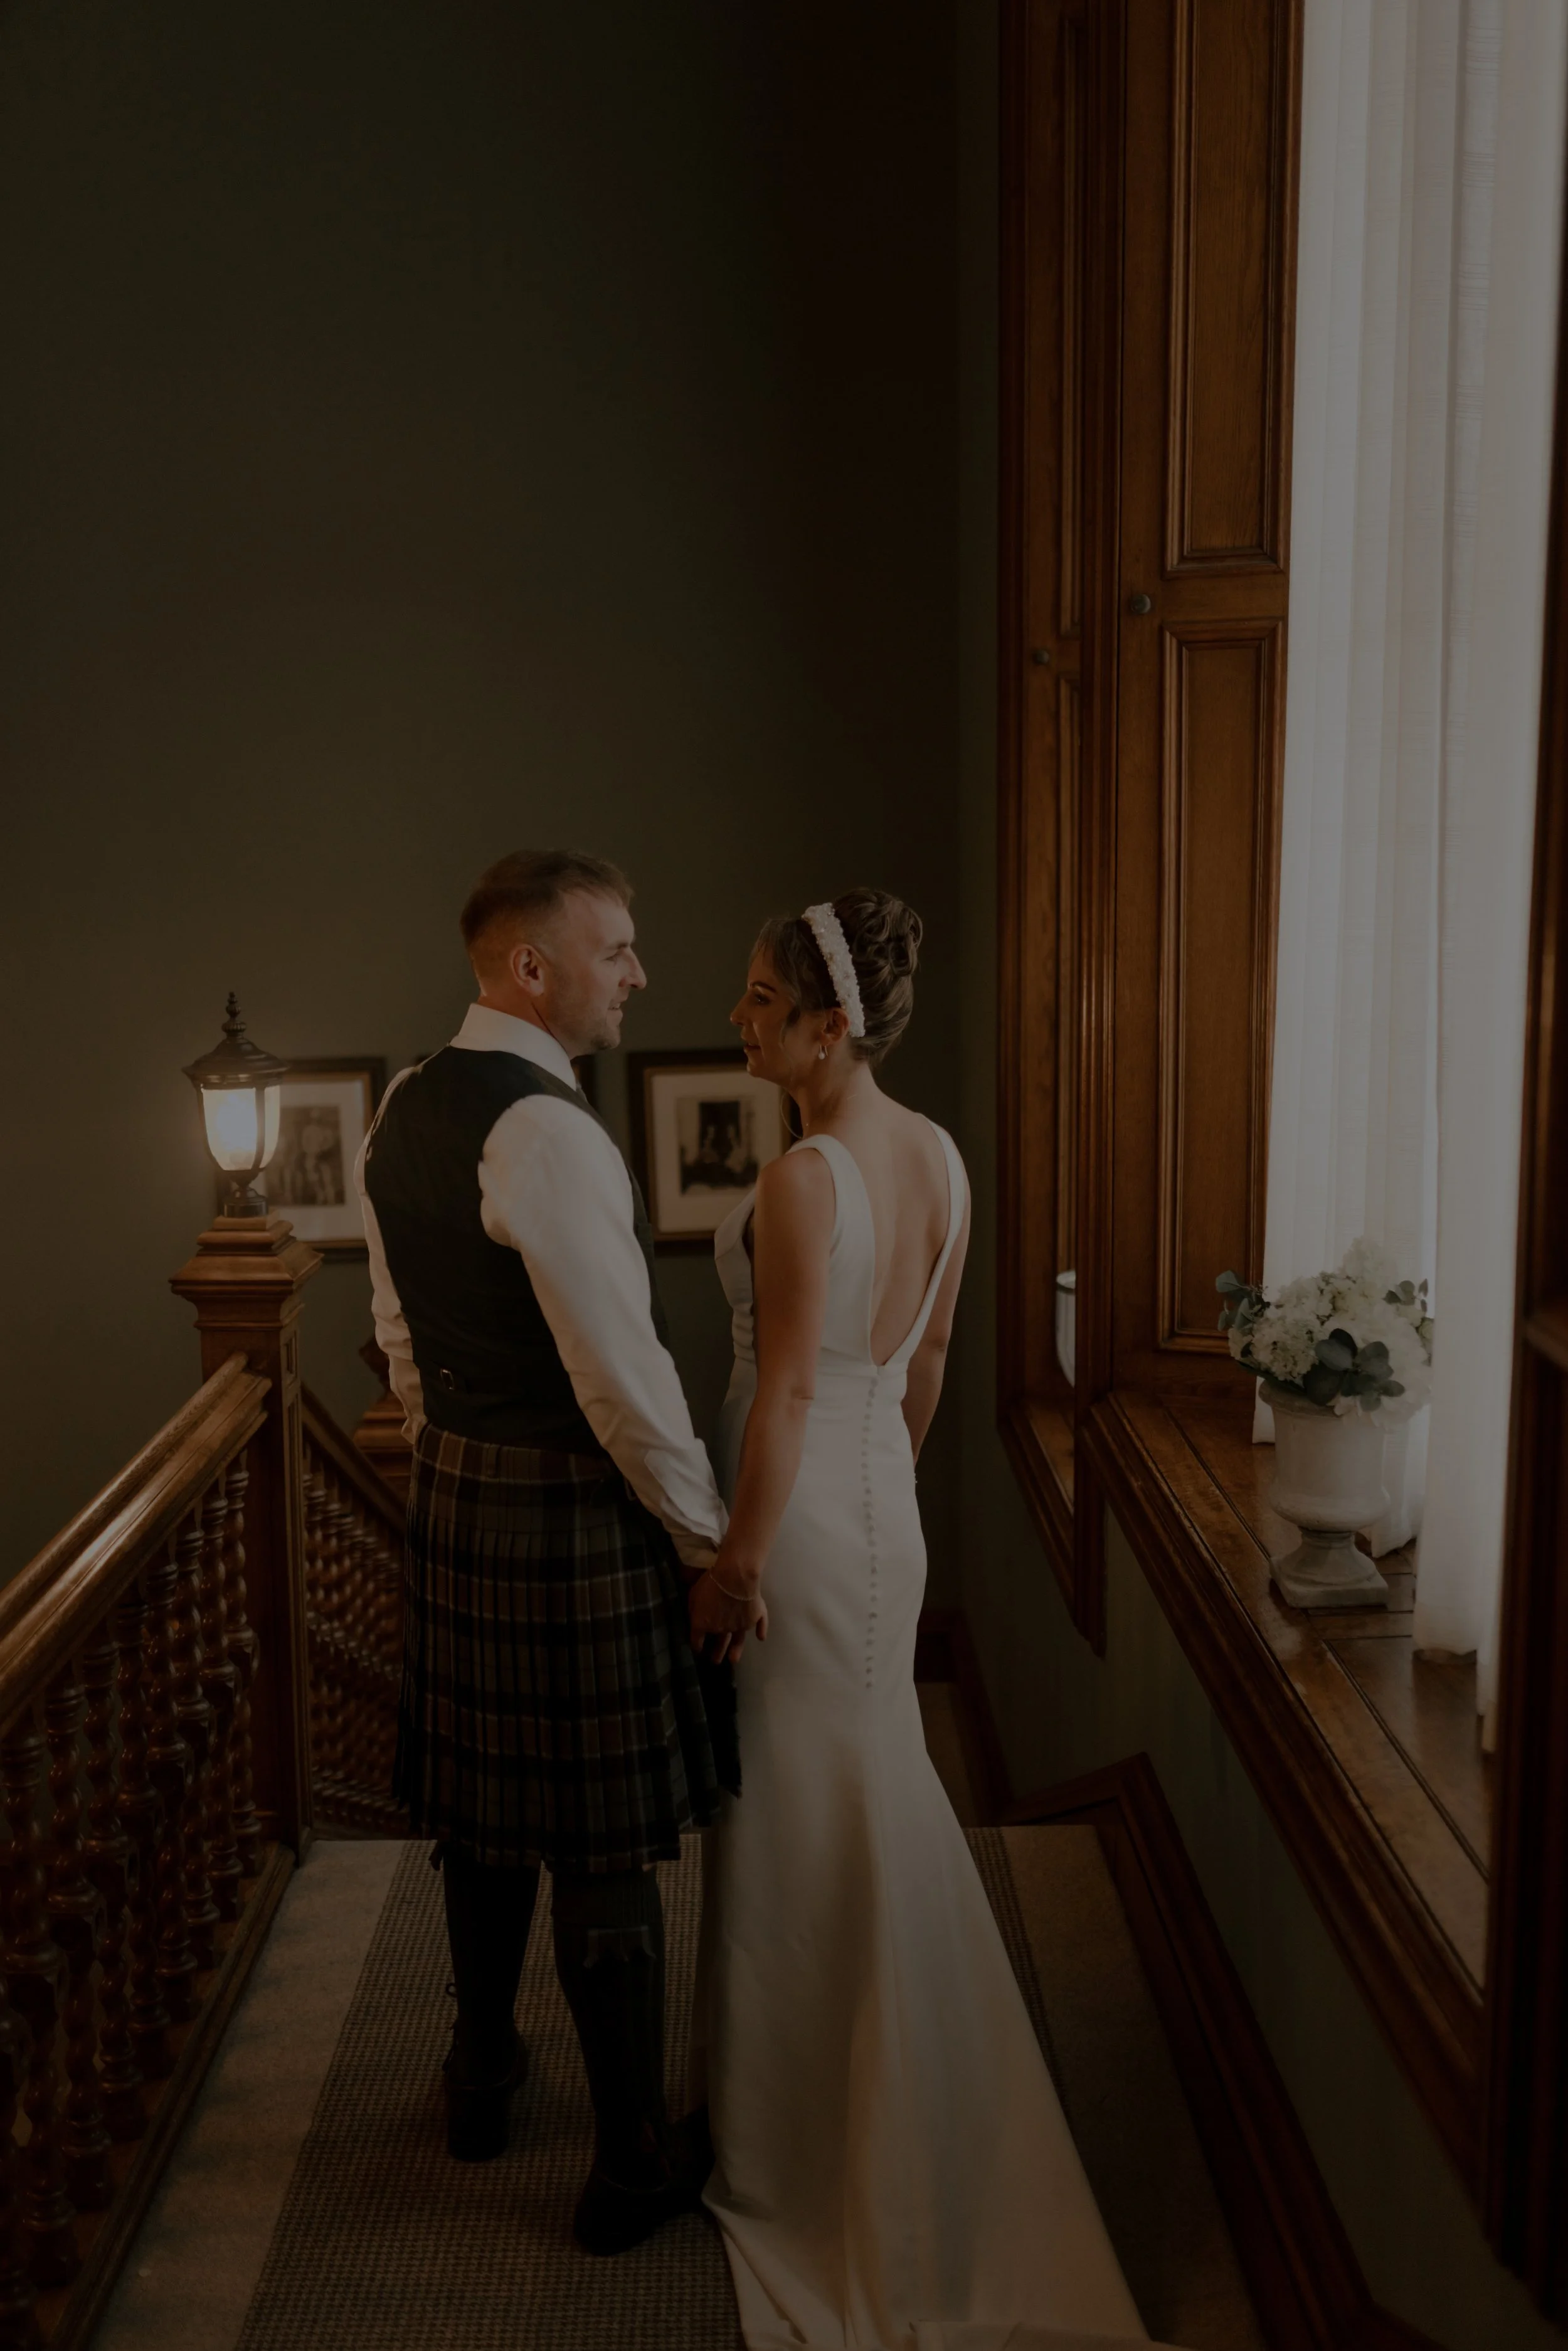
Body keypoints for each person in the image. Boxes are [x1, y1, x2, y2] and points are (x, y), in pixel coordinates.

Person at [689, 890, 1150, 2348]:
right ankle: (909, 2091)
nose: (740, 1016)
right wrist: (876, 1480)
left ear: (830, 1028)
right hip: (884, 1503)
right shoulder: (941, 1156)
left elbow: (784, 1391)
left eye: (762, 999)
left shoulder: (805, 1181)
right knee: (871, 1783)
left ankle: (789, 2138)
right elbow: (928, 1355)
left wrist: (740, 1560)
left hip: (798, 1525)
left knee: (787, 1807)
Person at [354, 848, 737, 2256]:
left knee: (484, 1801)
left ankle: (481, 2068)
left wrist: (448, 1441)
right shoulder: (551, 1133)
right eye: (617, 948)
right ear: (533, 968)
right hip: (567, 1506)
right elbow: (622, 1377)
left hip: (460, 1488)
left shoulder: (405, 1100)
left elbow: (394, 1325)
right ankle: (632, 2155)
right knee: (593, 1833)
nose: (636, 971)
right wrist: (709, 1544)